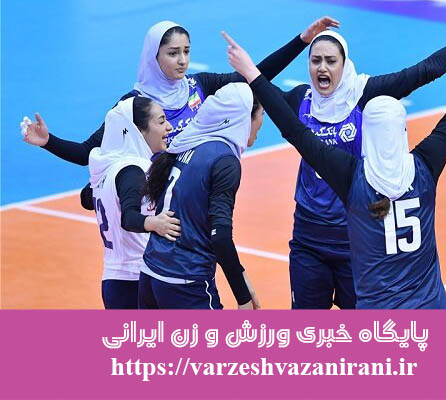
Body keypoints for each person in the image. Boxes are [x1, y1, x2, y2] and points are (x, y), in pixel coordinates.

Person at [222, 10, 446, 308]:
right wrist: (300, 41)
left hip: (357, 238)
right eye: (315, 61)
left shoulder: (364, 97)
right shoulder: (299, 100)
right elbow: (257, 88)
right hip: (309, 237)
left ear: (345, 64)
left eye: (331, 61)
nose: (322, 68)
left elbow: (427, 70)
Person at [21, 17, 340, 164]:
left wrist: (302, 40)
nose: (183, 60)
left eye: (186, 51)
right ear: (154, 56)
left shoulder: (198, 86)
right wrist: (48, 141)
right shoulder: (133, 106)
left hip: (193, 204)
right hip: (154, 216)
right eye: (173, 53)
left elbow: (254, 76)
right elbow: (88, 153)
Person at [139, 83, 262, 310]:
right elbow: (220, 236)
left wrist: (242, 275)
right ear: (245, 117)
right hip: (185, 282)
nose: (262, 122)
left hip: (150, 273)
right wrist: (243, 297)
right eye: (261, 114)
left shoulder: (188, 144)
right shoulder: (224, 161)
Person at [88, 96, 181, 309]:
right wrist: (154, 223)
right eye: (161, 121)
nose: (169, 127)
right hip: (133, 280)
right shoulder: (132, 170)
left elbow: (86, 199)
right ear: (138, 131)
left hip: (117, 279)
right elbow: (128, 218)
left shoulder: (109, 169)